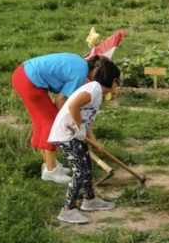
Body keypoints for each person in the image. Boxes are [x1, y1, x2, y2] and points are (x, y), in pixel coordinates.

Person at [12, 53, 107, 184]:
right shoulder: (80, 74)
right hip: (30, 81)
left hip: (23, 75)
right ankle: (51, 171)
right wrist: (65, 119)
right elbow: (60, 100)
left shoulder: (80, 64)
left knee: (41, 123)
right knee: (50, 124)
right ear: (96, 71)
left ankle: (48, 164)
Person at [48, 59, 121, 224]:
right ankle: (67, 210)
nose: (117, 86)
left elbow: (86, 120)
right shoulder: (93, 89)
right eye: (118, 81)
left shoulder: (98, 94)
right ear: (112, 79)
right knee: (80, 171)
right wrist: (78, 128)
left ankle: (90, 200)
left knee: (87, 167)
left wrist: (94, 142)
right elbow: (73, 105)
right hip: (66, 134)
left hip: (75, 134)